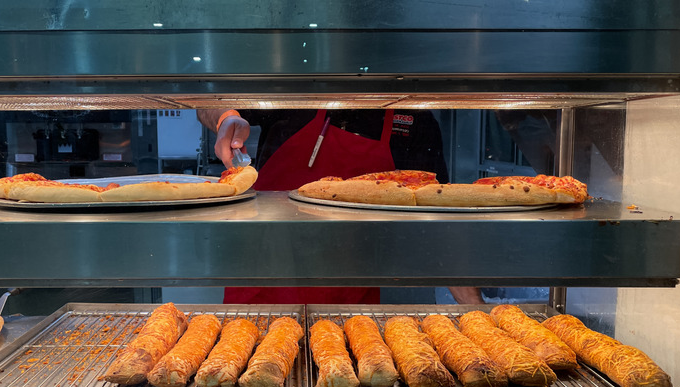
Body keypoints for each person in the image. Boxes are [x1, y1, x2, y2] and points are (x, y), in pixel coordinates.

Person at [197, 108, 484, 305]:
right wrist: (226, 119)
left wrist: (474, 307)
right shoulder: (294, 89)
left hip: (348, 294)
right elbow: (206, 102)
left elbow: (441, 224)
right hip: (264, 275)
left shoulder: (413, 118)